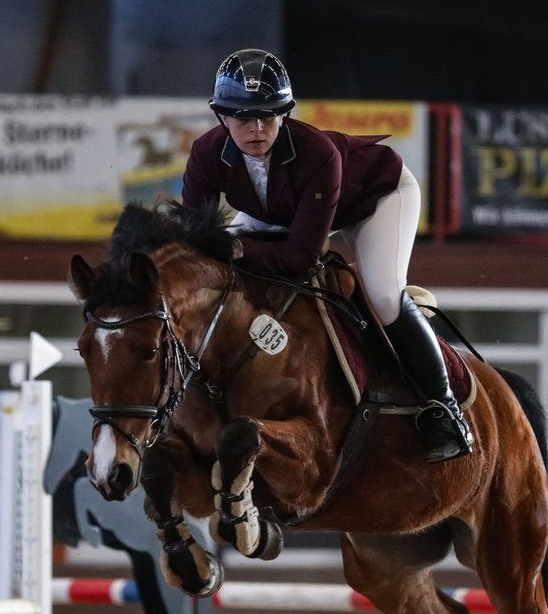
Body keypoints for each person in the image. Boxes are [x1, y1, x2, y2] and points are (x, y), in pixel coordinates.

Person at [182, 48, 472, 463]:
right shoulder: (206, 154)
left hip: (377, 200)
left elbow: (300, 257)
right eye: (244, 118)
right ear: (222, 117)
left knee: (384, 295)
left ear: (285, 114)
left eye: (269, 115)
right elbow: (195, 243)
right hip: (286, 210)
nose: (258, 128)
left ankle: (444, 409)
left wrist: (238, 248)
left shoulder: (318, 153)